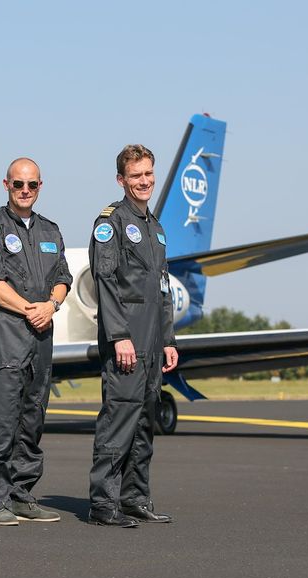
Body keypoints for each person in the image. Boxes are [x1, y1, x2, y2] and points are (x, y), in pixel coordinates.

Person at [0, 158, 72, 526]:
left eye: (31, 185)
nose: (25, 191)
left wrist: (53, 304)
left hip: (41, 342)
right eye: (18, 185)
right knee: (0, 423)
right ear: (6, 185)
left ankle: (22, 494)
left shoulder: (50, 230)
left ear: (40, 186)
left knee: (32, 421)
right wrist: (32, 309)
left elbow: (63, 276)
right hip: (4, 339)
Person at [87, 144, 180, 527]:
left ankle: (134, 498)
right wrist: (120, 336)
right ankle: (102, 505)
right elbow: (105, 282)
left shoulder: (155, 228)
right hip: (125, 343)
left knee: (144, 425)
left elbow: (162, 289)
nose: (144, 181)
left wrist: (169, 340)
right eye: (136, 175)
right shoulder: (110, 222)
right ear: (121, 180)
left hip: (152, 344)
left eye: (148, 174)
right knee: (119, 421)